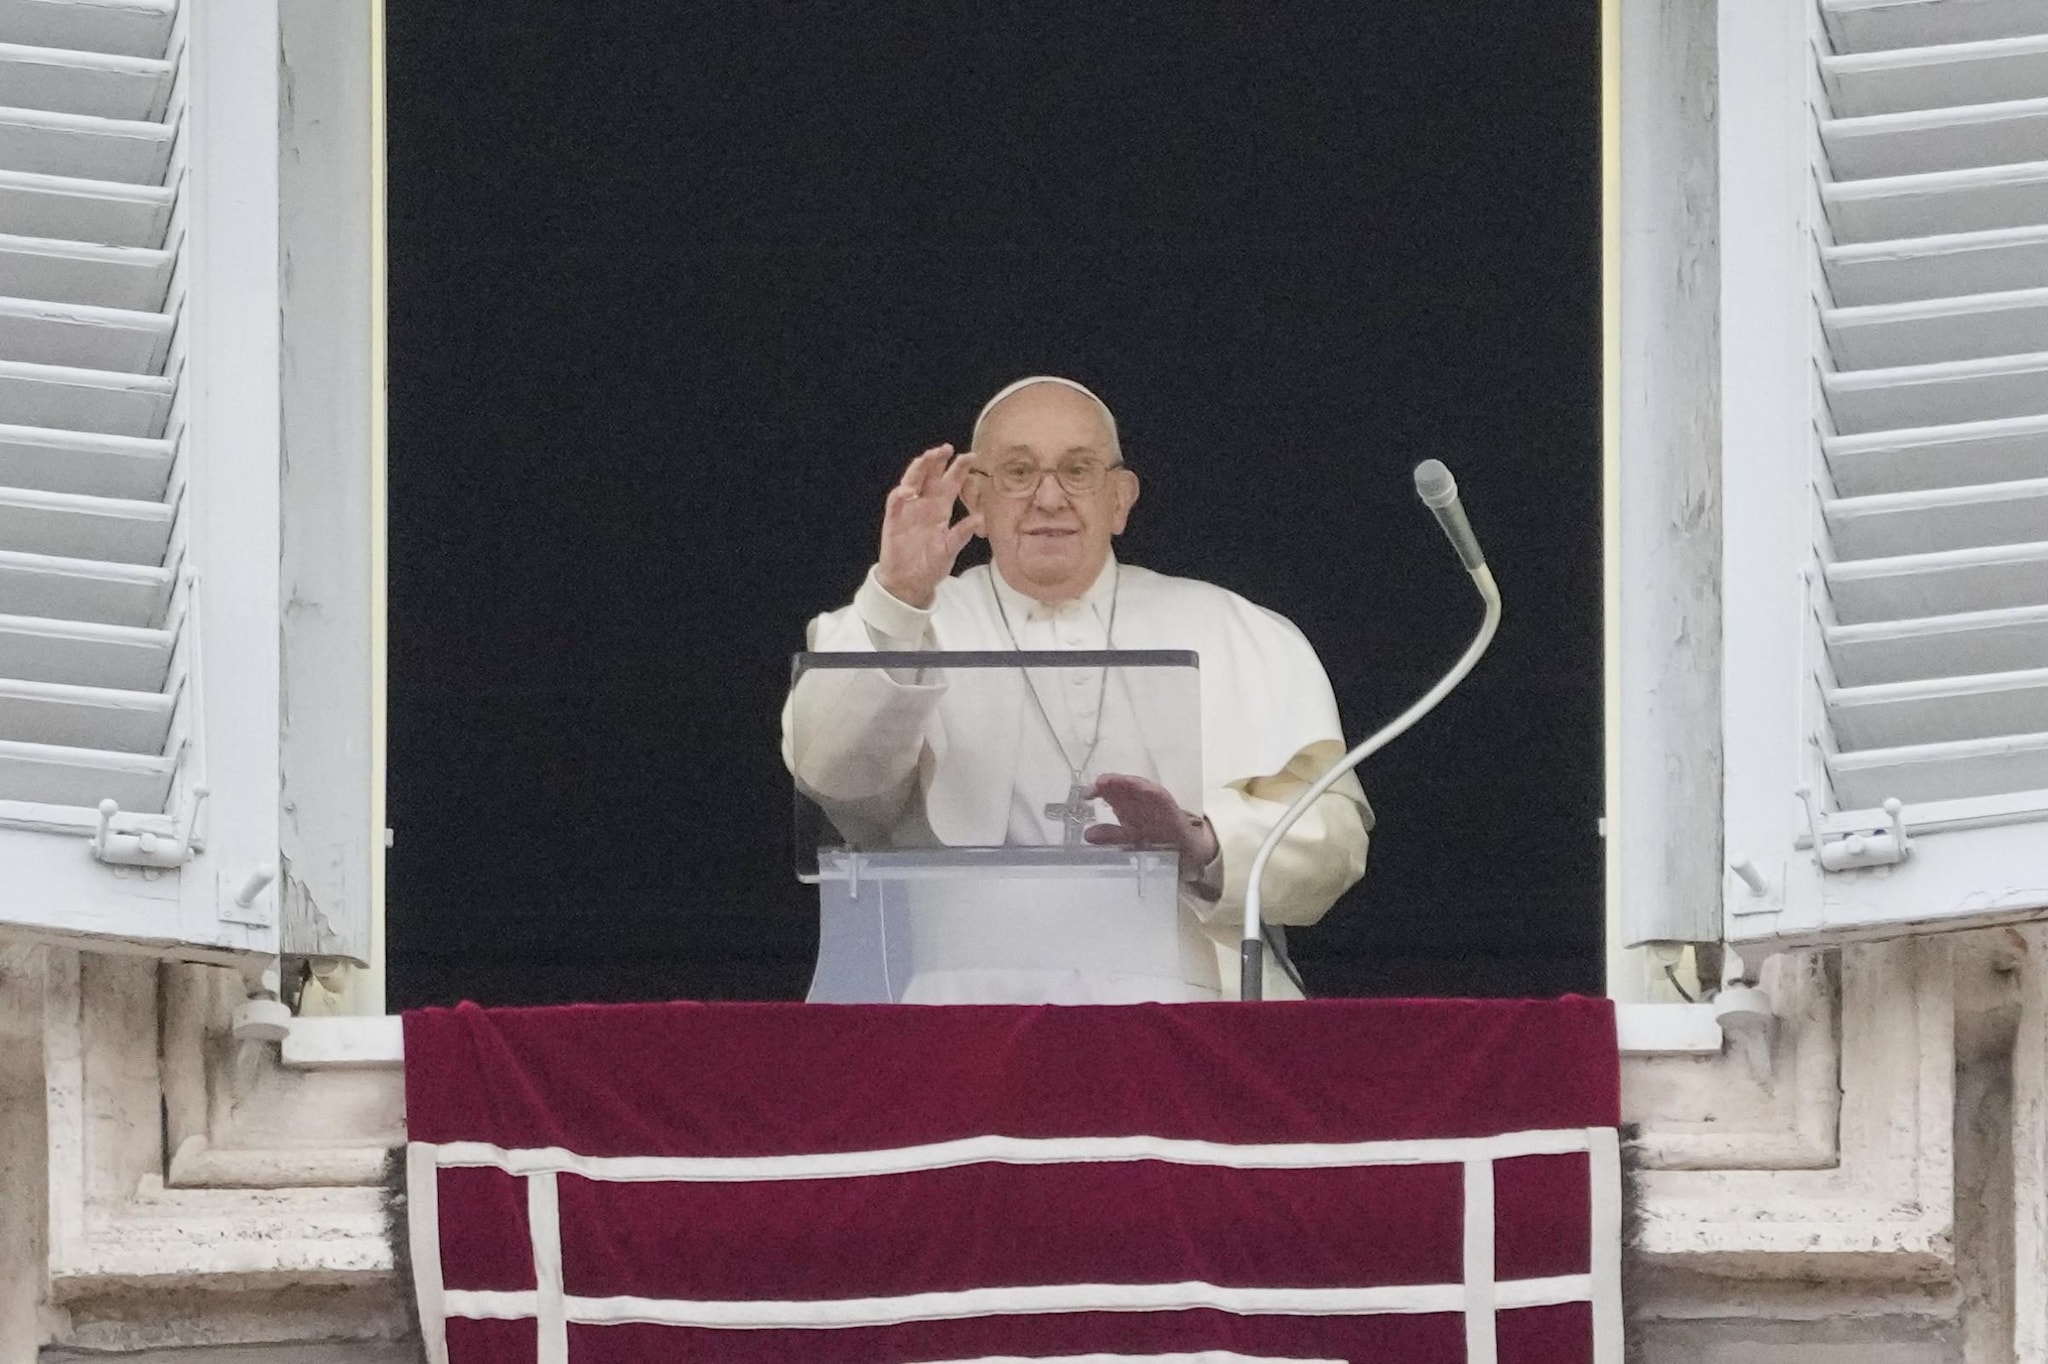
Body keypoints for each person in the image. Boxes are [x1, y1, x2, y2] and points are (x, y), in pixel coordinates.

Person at [781, 376, 1371, 1002]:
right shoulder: (896, 623)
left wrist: (1204, 843)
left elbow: (1332, 842)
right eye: (1017, 472)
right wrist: (898, 601)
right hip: (959, 1018)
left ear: (1120, 499)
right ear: (974, 498)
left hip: (1194, 1012)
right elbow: (834, 779)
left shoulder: (1238, 629)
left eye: (1078, 470)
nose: (1049, 497)